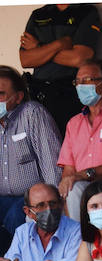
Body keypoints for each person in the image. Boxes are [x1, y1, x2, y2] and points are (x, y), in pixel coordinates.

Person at [56, 58, 102, 221]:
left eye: (87, 80)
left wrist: (84, 175)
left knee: (75, 190)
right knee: (38, 208)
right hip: (79, 188)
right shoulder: (74, 123)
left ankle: (81, 244)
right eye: (78, 81)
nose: (81, 86)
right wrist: (65, 187)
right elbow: (68, 170)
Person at [0, 66, 61, 247]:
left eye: (1, 94)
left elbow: (51, 162)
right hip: (2, 198)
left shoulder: (32, 113)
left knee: (15, 216)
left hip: (30, 198)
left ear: (18, 96)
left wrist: (53, 202)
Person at [20, 2, 101, 131]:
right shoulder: (38, 14)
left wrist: (38, 48)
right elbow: (26, 60)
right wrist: (60, 44)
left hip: (70, 94)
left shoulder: (86, 11)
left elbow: (80, 58)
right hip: (40, 94)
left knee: (70, 144)